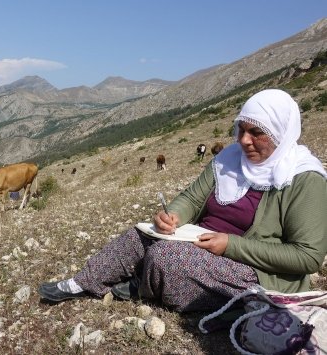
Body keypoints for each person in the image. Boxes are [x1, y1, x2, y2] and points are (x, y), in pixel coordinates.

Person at [38, 89, 327, 312]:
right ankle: (82, 282)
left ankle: (143, 285)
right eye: (240, 129)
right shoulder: (229, 159)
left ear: (280, 132)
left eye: (256, 133)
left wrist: (231, 244)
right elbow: (192, 197)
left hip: (257, 268)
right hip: (202, 240)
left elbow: (308, 257)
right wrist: (173, 216)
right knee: (141, 234)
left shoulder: (302, 178)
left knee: (166, 257)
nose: (243, 140)